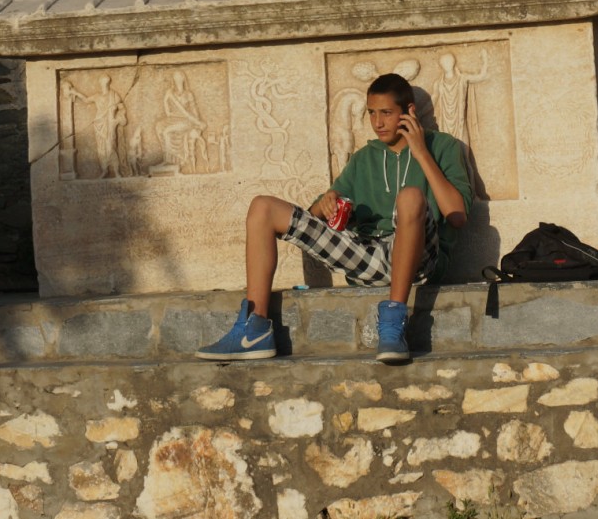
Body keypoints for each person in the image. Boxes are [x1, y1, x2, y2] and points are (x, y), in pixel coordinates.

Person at [196, 73, 473, 363]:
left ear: (409, 113)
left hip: (420, 260)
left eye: (387, 113)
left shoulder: (442, 147)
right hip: (365, 256)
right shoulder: (364, 157)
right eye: (372, 113)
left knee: (411, 197)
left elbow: (457, 216)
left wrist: (420, 152)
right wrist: (327, 204)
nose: (378, 122)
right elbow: (315, 214)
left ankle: (393, 321)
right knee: (262, 207)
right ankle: (253, 328)